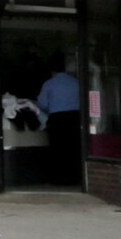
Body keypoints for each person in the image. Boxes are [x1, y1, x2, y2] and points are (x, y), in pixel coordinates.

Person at [37, 57, 83, 187]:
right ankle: (75, 178)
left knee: (57, 149)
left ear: (51, 70)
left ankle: (58, 179)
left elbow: (42, 104)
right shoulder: (76, 82)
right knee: (73, 148)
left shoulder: (49, 84)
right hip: (75, 117)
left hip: (57, 119)